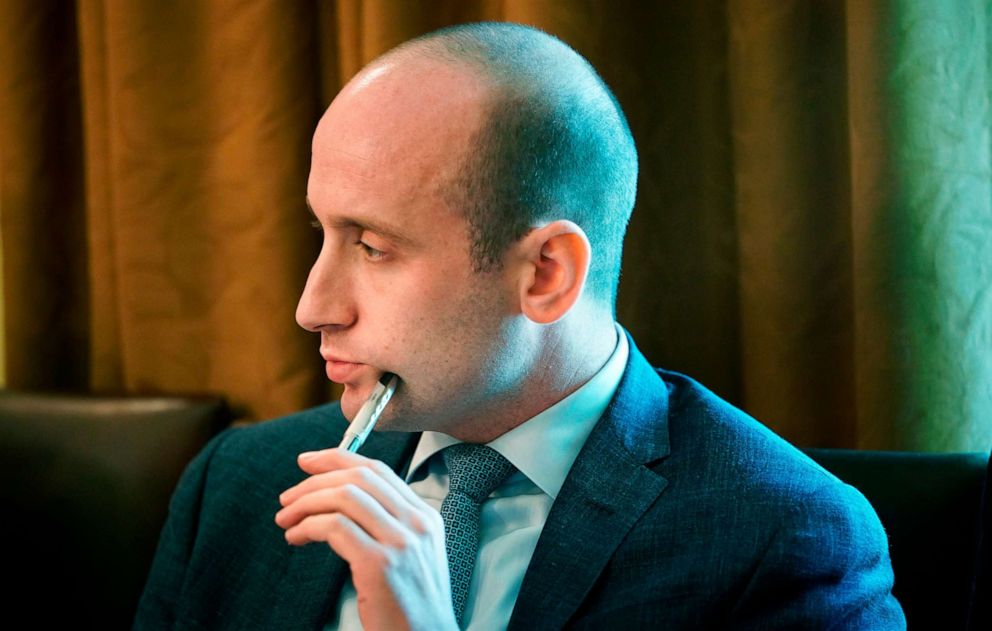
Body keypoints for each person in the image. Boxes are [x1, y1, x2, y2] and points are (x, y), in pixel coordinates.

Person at [135, 21, 905, 630]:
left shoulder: (785, 540)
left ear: (545, 274)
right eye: (322, 234)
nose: (312, 307)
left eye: (372, 247)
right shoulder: (235, 484)